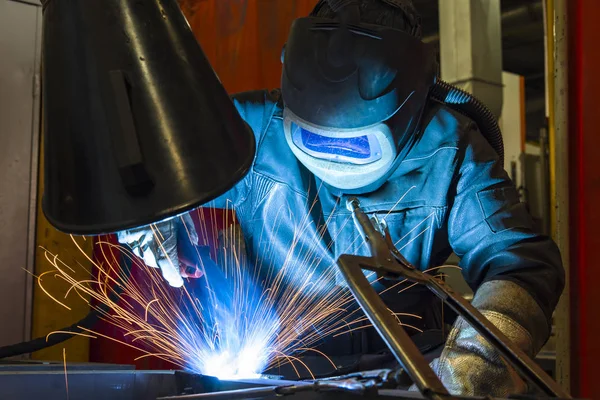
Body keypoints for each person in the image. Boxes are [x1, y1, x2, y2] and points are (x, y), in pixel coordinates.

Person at [117, 0, 564, 396]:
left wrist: (474, 365)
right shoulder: (253, 131)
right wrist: (152, 216)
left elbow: (521, 260)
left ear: (414, 101)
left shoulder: (451, 150)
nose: (337, 159)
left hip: (409, 373)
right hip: (281, 374)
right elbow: (147, 162)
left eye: (355, 145)